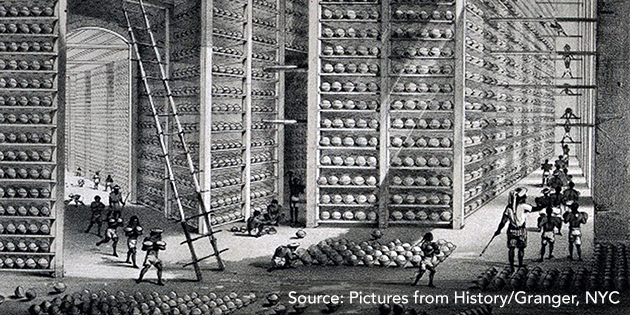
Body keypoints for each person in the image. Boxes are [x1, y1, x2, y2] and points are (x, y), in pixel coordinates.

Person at [494, 187, 535, 270]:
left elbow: (503, 221)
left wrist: (498, 230)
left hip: (512, 230)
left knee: (511, 248)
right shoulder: (523, 206)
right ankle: (520, 264)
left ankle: (512, 265)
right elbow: (534, 209)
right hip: (521, 230)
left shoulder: (509, 208)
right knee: (521, 247)